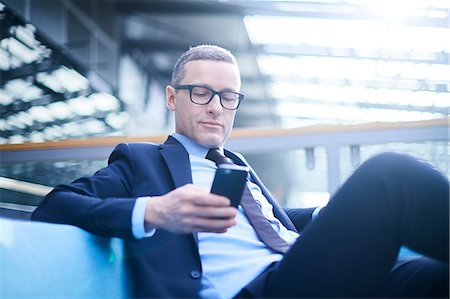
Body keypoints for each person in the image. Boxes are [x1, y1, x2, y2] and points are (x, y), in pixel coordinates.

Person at [32, 45, 449, 299]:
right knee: (390, 175)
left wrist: (330, 216)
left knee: (437, 278)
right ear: (173, 98)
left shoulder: (236, 166)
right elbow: (54, 206)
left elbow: (270, 223)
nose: (215, 106)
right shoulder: (142, 162)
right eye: (201, 93)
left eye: (227, 96)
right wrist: (155, 211)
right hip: (265, 290)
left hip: (305, 269)